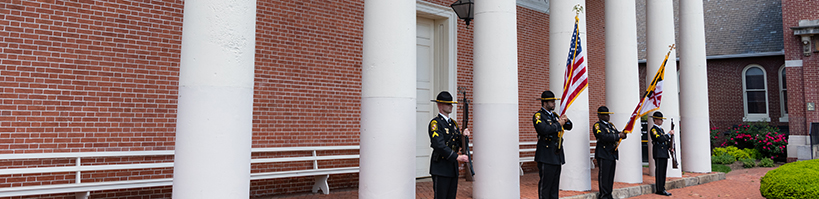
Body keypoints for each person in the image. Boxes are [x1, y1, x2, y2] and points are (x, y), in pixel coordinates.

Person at [428, 91, 471, 199]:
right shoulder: (435, 123)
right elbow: (439, 145)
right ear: (440, 105)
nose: (451, 106)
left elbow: (459, 143)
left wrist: (464, 136)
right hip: (441, 167)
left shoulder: (453, 124)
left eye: (451, 104)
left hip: (452, 167)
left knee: (451, 196)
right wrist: (457, 157)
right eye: (448, 104)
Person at [532, 90, 572, 199]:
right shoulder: (539, 116)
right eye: (551, 101)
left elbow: (569, 126)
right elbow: (544, 129)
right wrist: (559, 124)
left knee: (554, 186)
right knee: (546, 186)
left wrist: (565, 120)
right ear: (545, 103)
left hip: (556, 154)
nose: (554, 103)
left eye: (554, 101)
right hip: (546, 154)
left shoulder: (555, 115)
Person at [592, 106, 627, 199]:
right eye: (605, 115)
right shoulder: (598, 125)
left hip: (612, 153)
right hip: (603, 153)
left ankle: (609, 193)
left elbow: (616, 133)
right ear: (599, 116)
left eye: (608, 114)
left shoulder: (611, 125)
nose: (608, 116)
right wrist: (618, 135)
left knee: (610, 176)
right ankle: (603, 195)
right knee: (604, 175)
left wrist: (624, 133)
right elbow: (603, 136)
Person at [649, 111, 674, 196]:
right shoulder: (653, 129)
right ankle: (659, 189)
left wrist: (669, 147)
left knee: (663, 172)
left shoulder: (661, 129)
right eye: (660, 120)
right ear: (655, 120)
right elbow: (659, 139)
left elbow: (665, 141)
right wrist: (668, 134)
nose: (661, 121)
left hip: (663, 152)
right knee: (659, 172)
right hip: (658, 152)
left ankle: (662, 187)